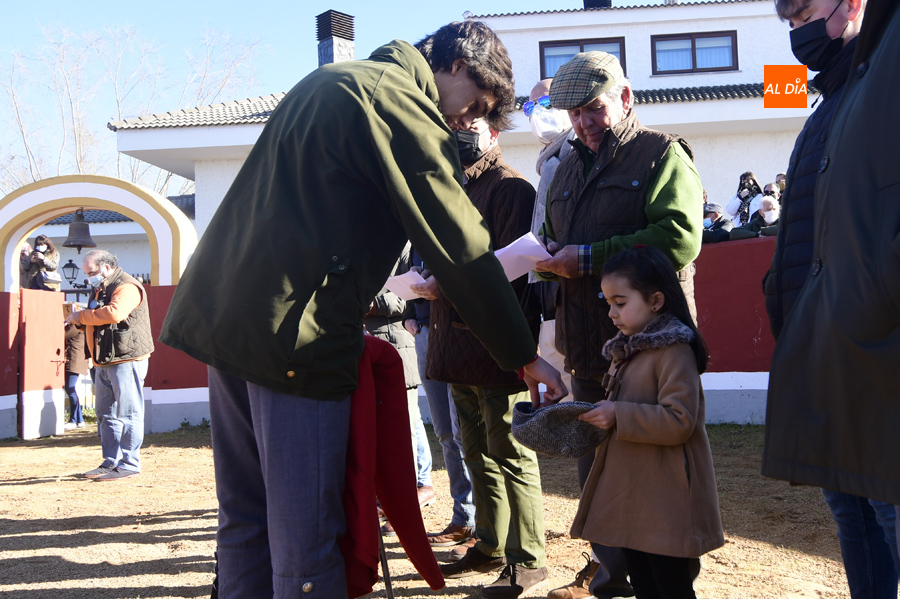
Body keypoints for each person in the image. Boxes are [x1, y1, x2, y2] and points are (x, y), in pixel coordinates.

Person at [158, 21, 566, 599]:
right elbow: (462, 246)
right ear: (454, 65)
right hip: (294, 337)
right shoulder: (399, 101)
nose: (463, 121)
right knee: (307, 540)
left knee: (246, 519)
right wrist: (524, 355)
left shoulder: (329, 80)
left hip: (228, 319)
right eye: (473, 103)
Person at [534, 50, 702, 599]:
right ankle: (609, 579)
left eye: (593, 108)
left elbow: (679, 237)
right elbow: (556, 238)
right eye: (573, 113)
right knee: (600, 474)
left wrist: (586, 258)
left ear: (625, 99)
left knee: (658, 474)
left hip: (653, 351)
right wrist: (548, 254)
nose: (582, 122)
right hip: (588, 346)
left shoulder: (661, 154)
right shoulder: (562, 170)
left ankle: (666, 581)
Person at [761, 0, 900, 596]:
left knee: (889, 505)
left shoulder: (882, 83)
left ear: (854, 5)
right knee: (850, 508)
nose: (800, 33)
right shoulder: (821, 107)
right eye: (790, 24)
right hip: (818, 340)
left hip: (873, 342)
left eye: (806, 13)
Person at [414, 117, 548, 598]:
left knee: (510, 452)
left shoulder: (510, 187)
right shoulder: (454, 185)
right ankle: (489, 542)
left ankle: (528, 559)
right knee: (475, 452)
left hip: (495, 343)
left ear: (494, 132)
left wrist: (444, 283)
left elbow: (507, 269)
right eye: (455, 124)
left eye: (471, 124)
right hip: (454, 341)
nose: (460, 133)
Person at [572, 246, 724, 599]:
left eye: (620, 303)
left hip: (666, 501)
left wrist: (617, 414)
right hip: (634, 500)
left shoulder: (673, 351)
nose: (611, 313)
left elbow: (679, 420)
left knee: (670, 587)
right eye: (608, 302)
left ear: (656, 301)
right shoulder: (627, 349)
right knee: (643, 584)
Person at [363, 242, 435, 533]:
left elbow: (409, 297)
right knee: (384, 425)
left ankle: (421, 485)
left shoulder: (403, 245)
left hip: (396, 344)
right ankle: (391, 495)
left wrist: (370, 303)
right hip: (369, 346)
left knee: (407, 422)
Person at [409, 247, 477, 550]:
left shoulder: (452, 226)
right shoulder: (415, 240)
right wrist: (409, 315)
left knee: (463, 433)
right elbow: (407, 283)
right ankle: (462, 519)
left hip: (457, 331)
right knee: (445, 434)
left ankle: (477, 522)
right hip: (424, 332)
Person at [64, 249, 153, 481]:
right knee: (105, 413)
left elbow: (115, 313)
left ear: (106, 267)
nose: (89, 277)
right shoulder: (102, 286)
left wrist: (81, 316)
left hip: (126, 359)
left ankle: (130, 463)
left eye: (91, 272)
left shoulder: (127, 286)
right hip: (104, 360)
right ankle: (111, 462)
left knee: (128, 412)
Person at [526, 78, 574, 400]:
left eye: (545, 103)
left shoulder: (573, 154)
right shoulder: (549, 161)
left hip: (569, 292)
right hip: (549, 296)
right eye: (530, 107)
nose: (537, 114)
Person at [63, 303, 90, 430]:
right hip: (75, 359)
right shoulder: (77, 325)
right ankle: (79, 419)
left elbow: (64, 335)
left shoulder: (74, 325)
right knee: (70, 388)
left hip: (74, 360)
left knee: (70, 388)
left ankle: (74, 418)